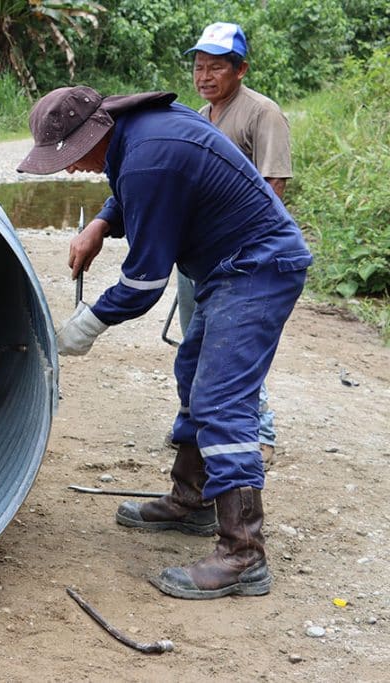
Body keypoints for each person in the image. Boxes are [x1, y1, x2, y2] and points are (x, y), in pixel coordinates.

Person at [18, 85, 311, 599]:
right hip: (228, 267)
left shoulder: (149, 154)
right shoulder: (135, 133)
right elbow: (137, 191)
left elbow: (144, 283)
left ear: (92, 133)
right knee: (193, 376)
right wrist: (105, 223)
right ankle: (192, 501)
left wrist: (78, 331)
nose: (67, 169)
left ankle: (243, 554)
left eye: (66, 157)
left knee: (222, 398)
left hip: (257, 267)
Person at [171, 21, 295, 468]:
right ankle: (199, 426)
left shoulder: (263, 113)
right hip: (199, 256)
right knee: (196, 342)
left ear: (241, 69)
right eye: (199, 67)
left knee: (233, 343)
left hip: (244, 258)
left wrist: (241, 250)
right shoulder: (199, 118)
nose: (204, 76)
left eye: (215, 67)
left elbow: (272, 185)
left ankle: (259, 428)